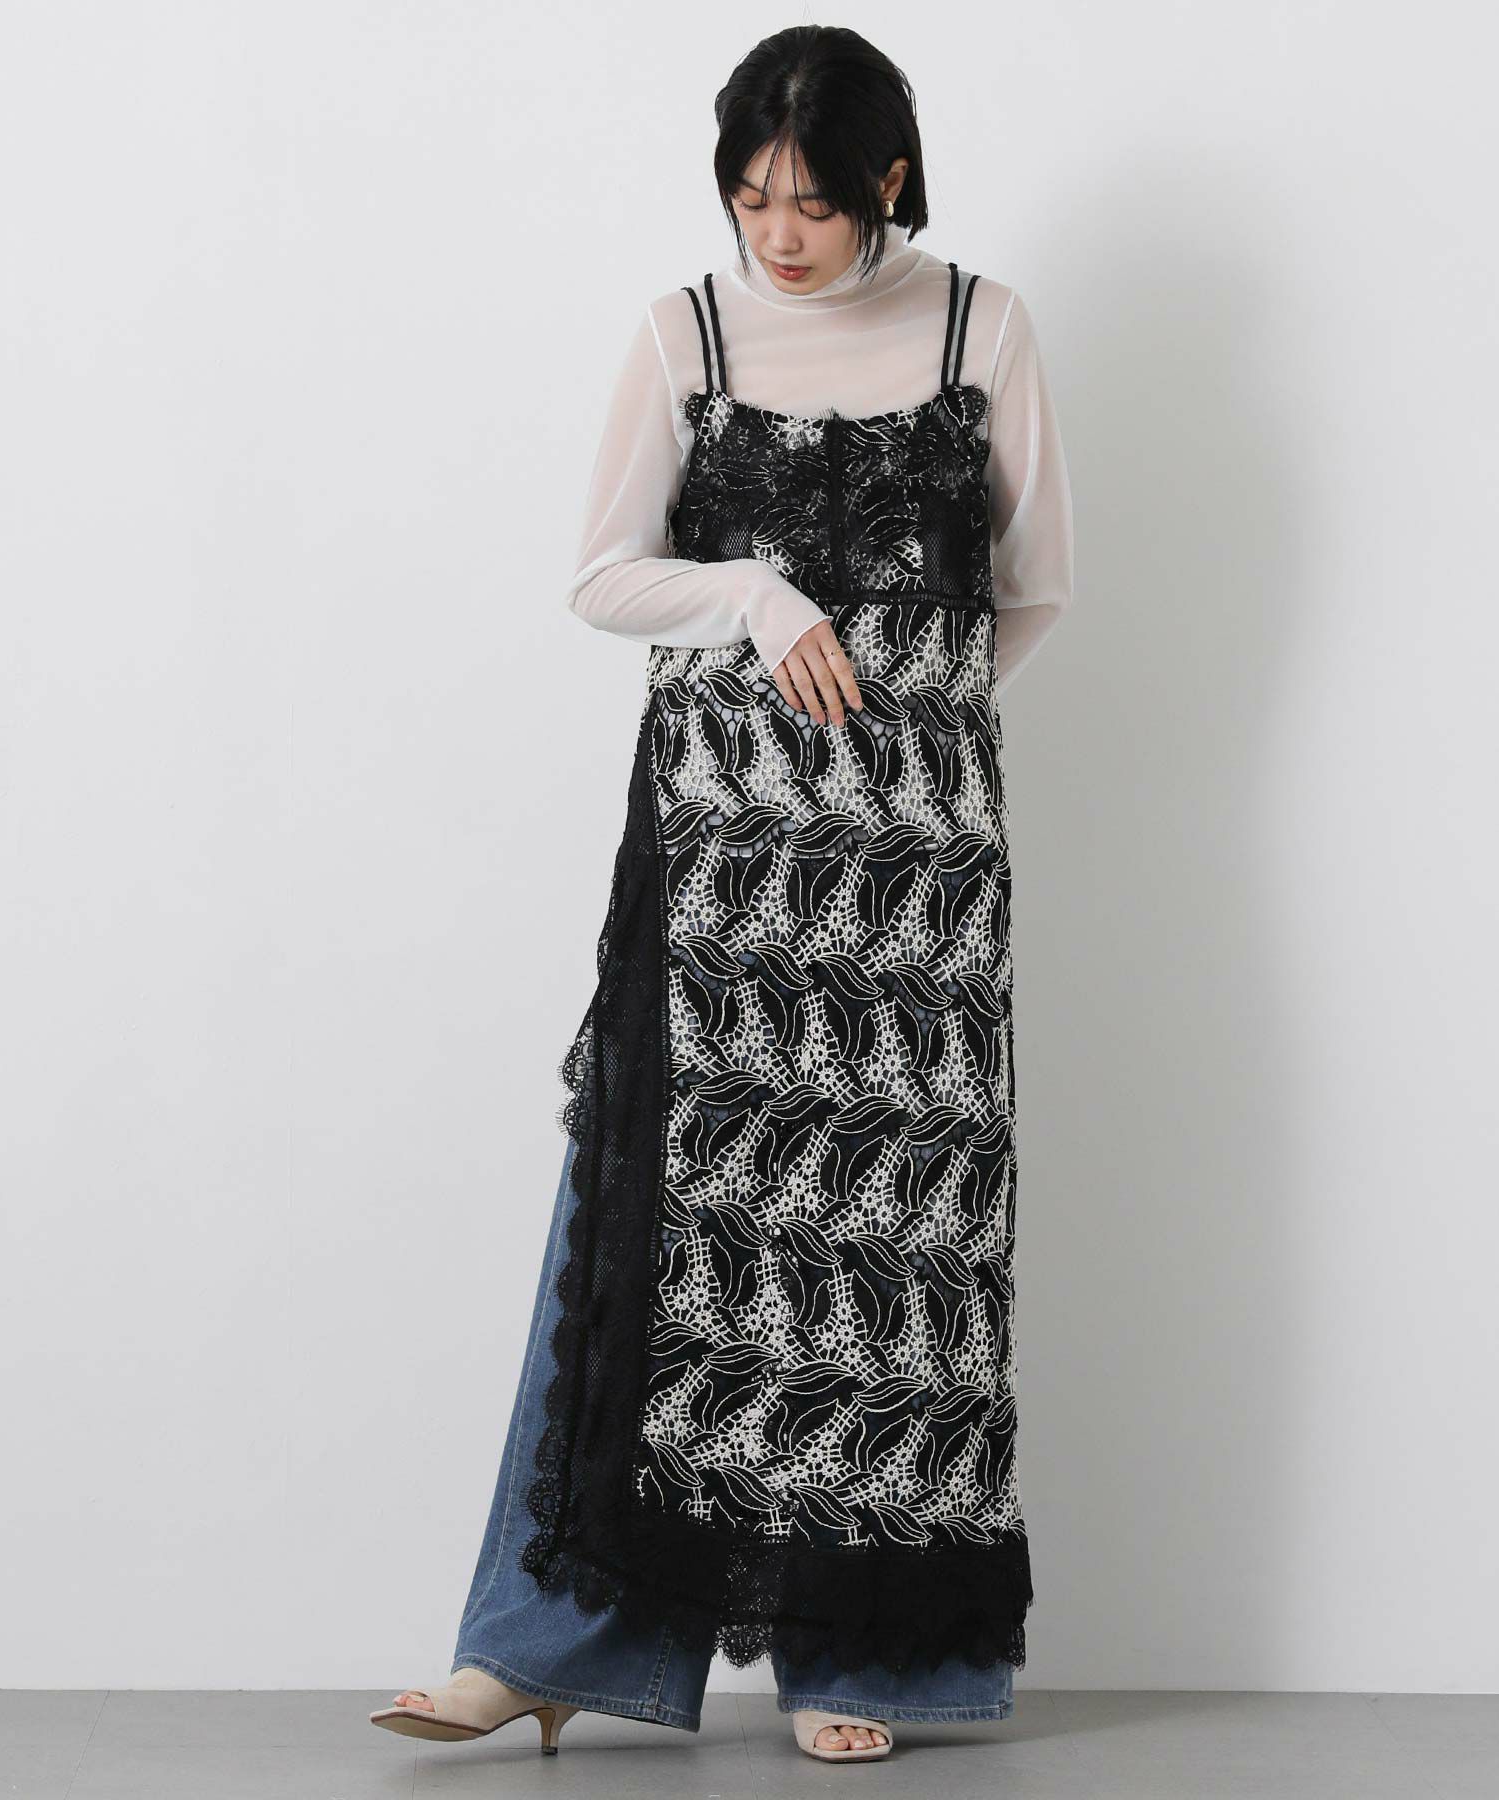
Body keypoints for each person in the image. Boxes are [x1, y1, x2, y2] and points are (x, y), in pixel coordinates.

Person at [370, 22, 1073, 1767]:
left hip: (911, 880)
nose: (780, 234)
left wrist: (903, 740)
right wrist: (757, 597)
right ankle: (541, 1647)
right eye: (753, 197)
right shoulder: (686, 331)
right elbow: (603, 578)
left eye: (815, 202)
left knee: (890, 1246)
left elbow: (1036, 587)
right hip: (721, 858)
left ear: (889, 180)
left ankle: (868, 1661)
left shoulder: (984, 328)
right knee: (650, 1214)